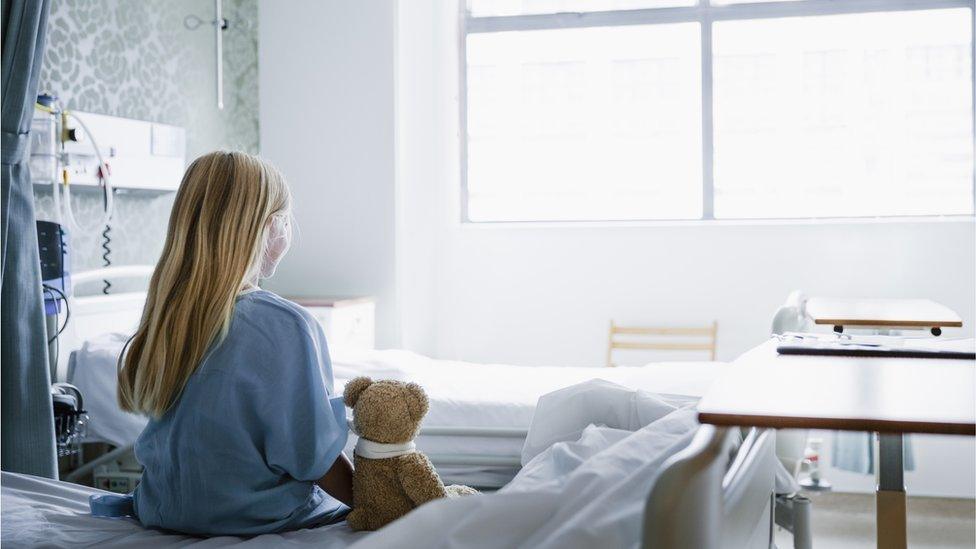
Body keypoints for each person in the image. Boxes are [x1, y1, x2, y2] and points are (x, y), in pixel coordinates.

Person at [117, 151, 353, 535]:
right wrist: (379, 506)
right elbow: (315, 457)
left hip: (163, 511)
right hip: (261, 518)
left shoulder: (168, 315)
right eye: (286, 220)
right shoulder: (285, 324)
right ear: (271, 226)